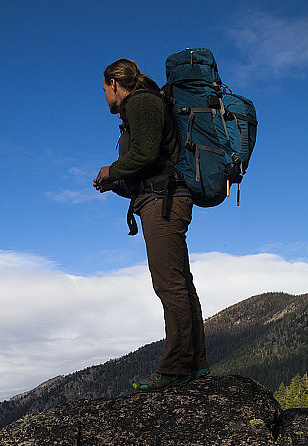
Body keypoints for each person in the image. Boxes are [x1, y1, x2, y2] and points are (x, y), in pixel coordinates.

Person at [94, 58, 209, 392]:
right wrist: (118, 183)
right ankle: (195, 363)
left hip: (164, 202)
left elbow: (144, 154)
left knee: (169, 283)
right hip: (162, 198)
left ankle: (175, 368)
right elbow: (148, 163)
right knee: (180, 282)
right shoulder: (145, 104)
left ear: (114, 84)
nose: (105, 97)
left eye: (104, 90)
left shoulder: (142, 102)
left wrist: (111, 171)